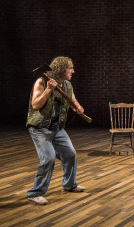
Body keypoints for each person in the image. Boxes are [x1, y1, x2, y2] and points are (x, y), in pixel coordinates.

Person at [26, 56, 86, 205]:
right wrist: (48, 90)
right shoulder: (42, 82)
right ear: (60, 69)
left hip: (57, 128)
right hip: (40, 128)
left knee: (70, 154)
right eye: (70, 68)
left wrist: (77, 107)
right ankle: (35, 193)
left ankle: (69, 185)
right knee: (49, 158)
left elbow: (72, 99)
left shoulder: (66, 84)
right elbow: (36, 105)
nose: (73, 71)